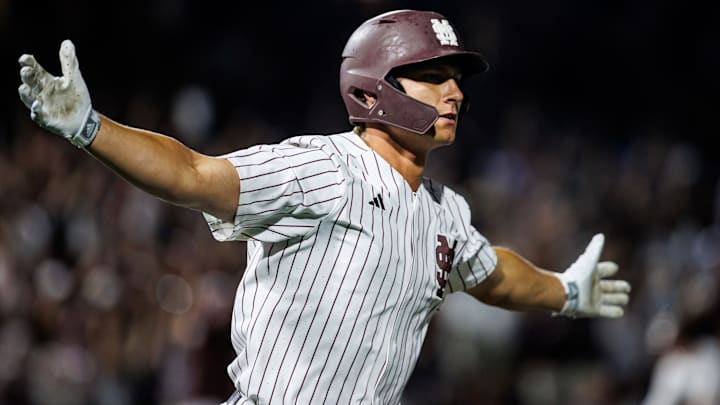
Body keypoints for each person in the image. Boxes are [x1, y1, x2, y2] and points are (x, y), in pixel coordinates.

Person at [17, 9, 631, 405]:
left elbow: (495, 276)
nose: (454, 90)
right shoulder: (324, 167)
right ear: (376, 85)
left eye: (458, 78)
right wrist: (90, 128)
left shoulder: (446, 212)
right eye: (432, 74)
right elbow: (193, 173)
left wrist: (565, 291)